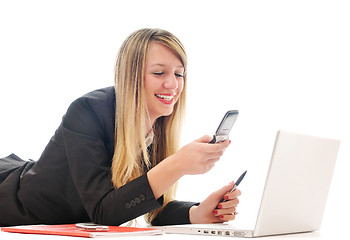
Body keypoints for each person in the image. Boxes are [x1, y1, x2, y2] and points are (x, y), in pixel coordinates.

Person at [0, 28, 241, 227]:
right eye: (159, 72)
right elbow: (104, 212)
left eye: (179, 74)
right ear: (131, 75)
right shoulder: (87, 111)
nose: (172, 84)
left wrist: (197, 213)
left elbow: (143, 204)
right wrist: (177, 165)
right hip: (14, 205)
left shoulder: (156, 123)